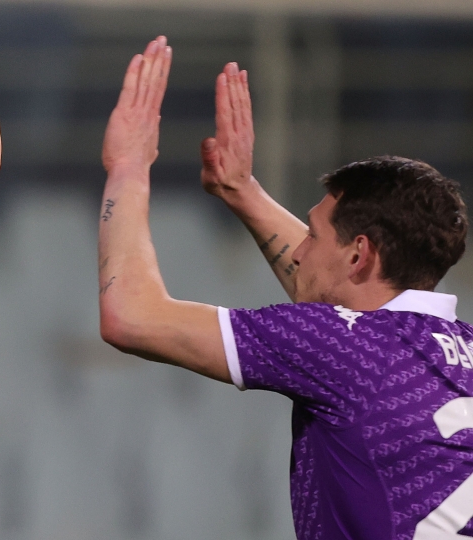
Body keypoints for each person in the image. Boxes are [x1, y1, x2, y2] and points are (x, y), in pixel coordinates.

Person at [98, 36, 473, 539]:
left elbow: (131, 317)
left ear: (359, 254)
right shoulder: (451, 350)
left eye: (312, 235)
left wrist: (128, 168)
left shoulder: (345, 348)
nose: (297, 252)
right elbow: (342, 291)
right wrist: (242, 190)